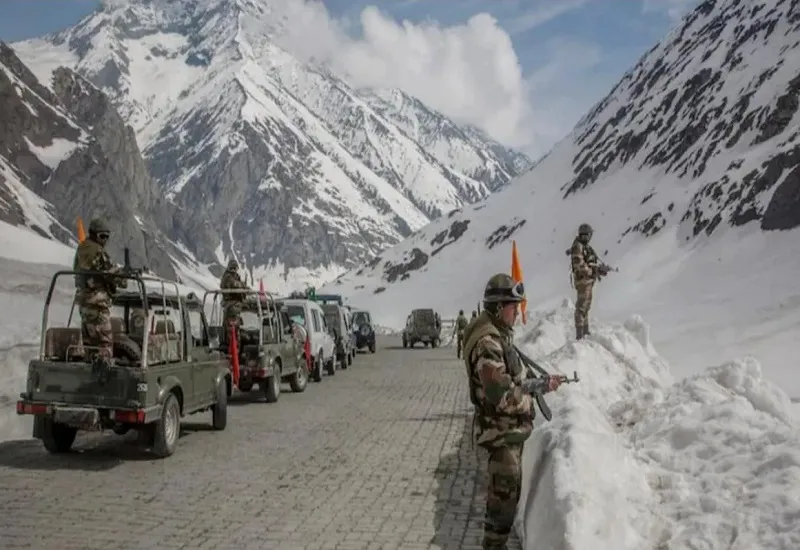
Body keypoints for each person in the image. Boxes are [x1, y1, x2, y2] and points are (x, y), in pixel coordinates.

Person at [462, 273, 562, 550]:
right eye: (512, 306)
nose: (517, 312)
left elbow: (510, 380)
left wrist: (539, 384)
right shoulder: (489, 344)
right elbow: (501, 396)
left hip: (506, 435)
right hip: (501, 436)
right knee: (501, 512)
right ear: (498, 307)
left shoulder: (497, 337)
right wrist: (529, 399)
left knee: (504, 505)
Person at [73, 218, 127, 359]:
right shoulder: (97, 251)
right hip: (97, 306)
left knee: (90, 346)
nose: (105, 240)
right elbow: (111, 274)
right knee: (105, 347)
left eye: (107, 237)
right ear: (93, 234)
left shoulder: (82, 249)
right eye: (102, 236)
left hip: (84, 306)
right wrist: (122, 275)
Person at [570, 223, 603, 339]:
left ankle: (585, 332)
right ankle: (580, 335)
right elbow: (579, 264)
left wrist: (598, 270)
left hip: (587, 281)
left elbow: (590, 261)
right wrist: (591, 272)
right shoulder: (578, 246)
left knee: (586, 306)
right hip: (583, 280)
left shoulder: (584, 247)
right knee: (581, 307)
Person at [219, 259, 247, 327]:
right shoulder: (227, 276)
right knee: (229, 327)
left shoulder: (236, 276)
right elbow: (233, 284)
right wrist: (242, 285)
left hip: (235, 302)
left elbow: (240, 286)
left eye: (235, 268)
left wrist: (244, 288)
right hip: (229, 302)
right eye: (232, 268)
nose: (234, 270)